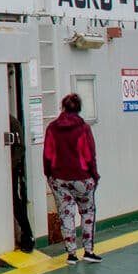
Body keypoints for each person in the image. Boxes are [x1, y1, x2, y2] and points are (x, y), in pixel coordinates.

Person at [43, 92, 102, 264]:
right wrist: (94, 175)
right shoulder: (83, 128)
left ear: (62, 107)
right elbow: (90, 155)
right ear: (79, 108)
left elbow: (47, 154)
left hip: (58, 178)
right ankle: (89, 251)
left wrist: (49, 174)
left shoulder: (52, 128)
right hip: (82, 178)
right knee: (87, 212)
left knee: (66, 214)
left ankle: (71, 254)